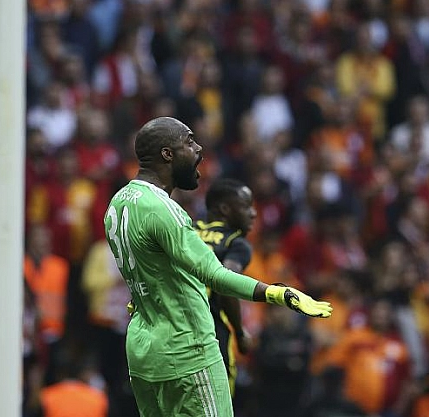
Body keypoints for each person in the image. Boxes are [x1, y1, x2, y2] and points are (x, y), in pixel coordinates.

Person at [104, 116, 332, 417]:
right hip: (187, 349)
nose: (198, 148)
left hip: (143, 351)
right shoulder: (164, 210)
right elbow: (216, 275)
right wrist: (279, 294)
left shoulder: (118, 203)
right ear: (167, 154)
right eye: (189, 142)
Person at [196, 178, 257, 396]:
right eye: (246, 206)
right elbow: (226, 283)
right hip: (209, 335)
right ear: (225, 209)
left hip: (170, 333)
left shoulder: (187, 232)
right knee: (218, 405)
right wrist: (239, 332)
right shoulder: (234, 243)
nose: (253, 213)